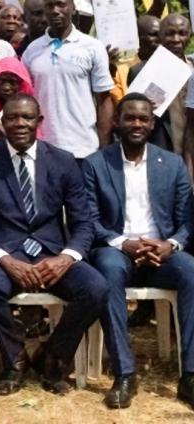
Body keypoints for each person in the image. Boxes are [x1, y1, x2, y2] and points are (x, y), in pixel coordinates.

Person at [0, 94, 108, 396]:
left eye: (27, 117)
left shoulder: (63, 161)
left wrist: (66, 258)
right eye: (12, 117)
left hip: (53, 256)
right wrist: (5, 260)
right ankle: (15, 356)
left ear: (39, 122)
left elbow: (83, 223)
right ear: (2, 120)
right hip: (6, 255)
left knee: (96, 288)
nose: (20, 124)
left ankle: (52, 357)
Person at [83, 93, 194, 410]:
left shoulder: (171, 164)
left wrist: (169, 245)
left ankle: (190, 376)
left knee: (192, 272)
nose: (136, 123)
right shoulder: (96, 163)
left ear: (152, 123)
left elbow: (187, 220)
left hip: (162, 253)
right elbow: (89, 219)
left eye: (143, 118)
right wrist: (124, 244)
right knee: (108, 272)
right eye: (129, 117)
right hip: (116, 249)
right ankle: (125, 374)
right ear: (116, 122)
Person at [22, 0, 114, 161]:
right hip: (42, 150)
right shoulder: (31, 51)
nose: (55, 10)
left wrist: (104, 149)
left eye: (61, 4)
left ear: (72, 7)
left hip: (85, 150)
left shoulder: (93, 47)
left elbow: (104, 101)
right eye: (49, 6)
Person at [130, 13, 193, 155]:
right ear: (160, 37)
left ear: (189, 37)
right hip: (162, 155)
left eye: (182, 33)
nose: (176, 39)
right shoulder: (141, 72)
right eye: (170, 34)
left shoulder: (193, 70)